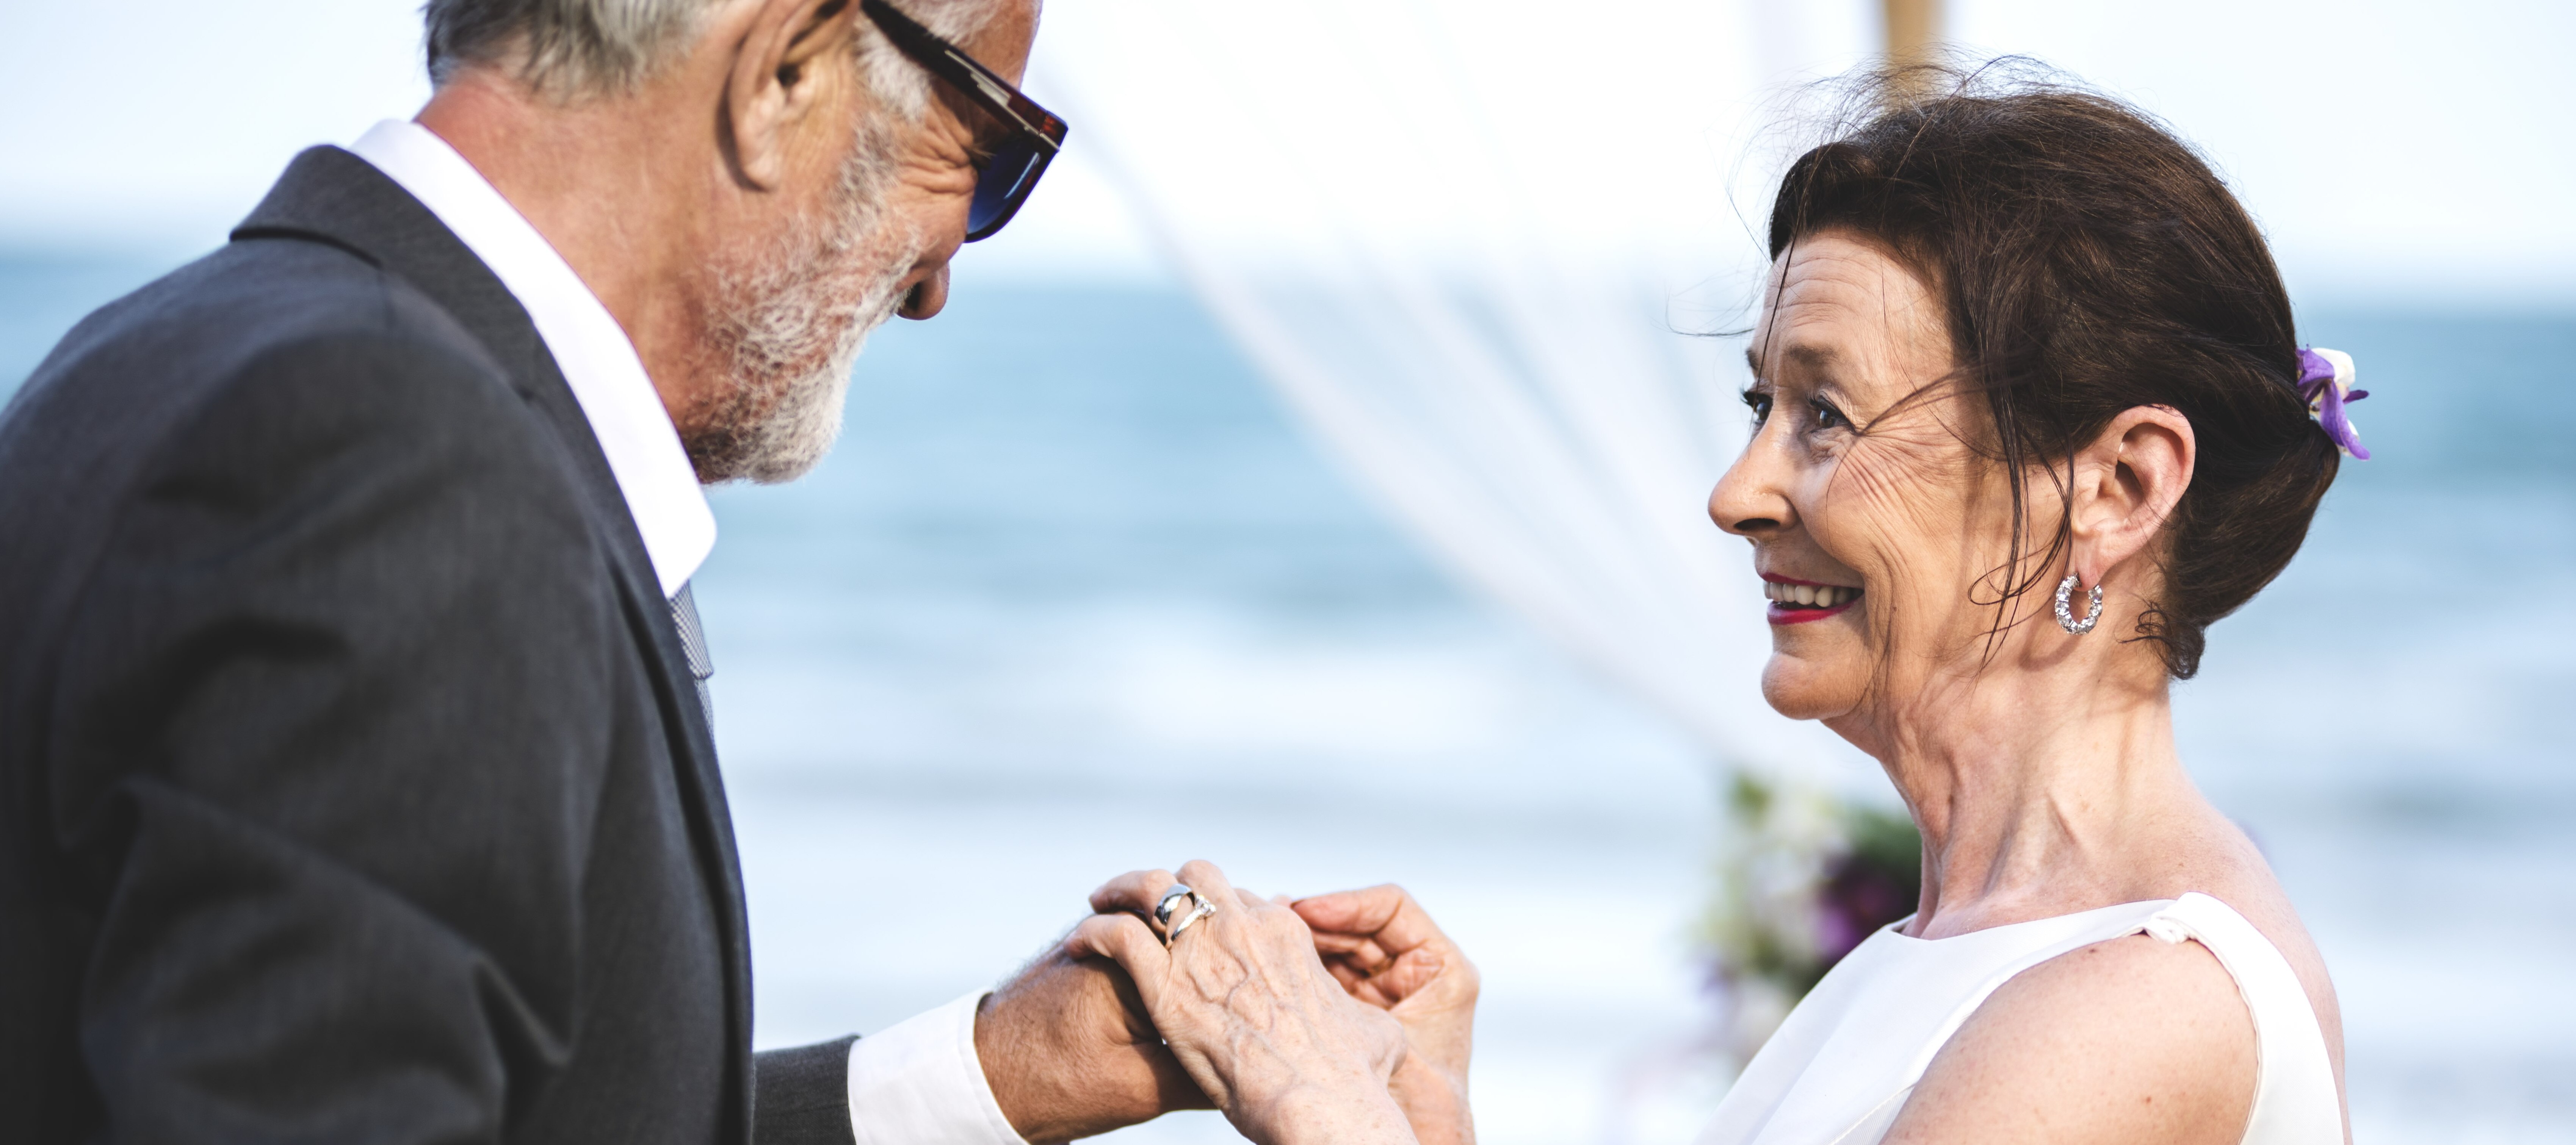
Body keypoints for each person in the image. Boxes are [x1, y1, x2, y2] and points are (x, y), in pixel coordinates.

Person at [0, 1, 1261, 1142]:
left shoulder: (160, 349)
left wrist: (992, 1073)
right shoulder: (409, 465)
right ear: (785, 72)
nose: (937, 280)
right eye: (989, 151)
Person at [1067, 70, 2361, 1145]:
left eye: (1826, 415)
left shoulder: (2138, 1004)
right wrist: (1419, 1118)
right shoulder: (1947, 947)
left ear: (2120, 485)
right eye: (1762, 407)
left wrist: (1313, 1098)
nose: (1736, 492)